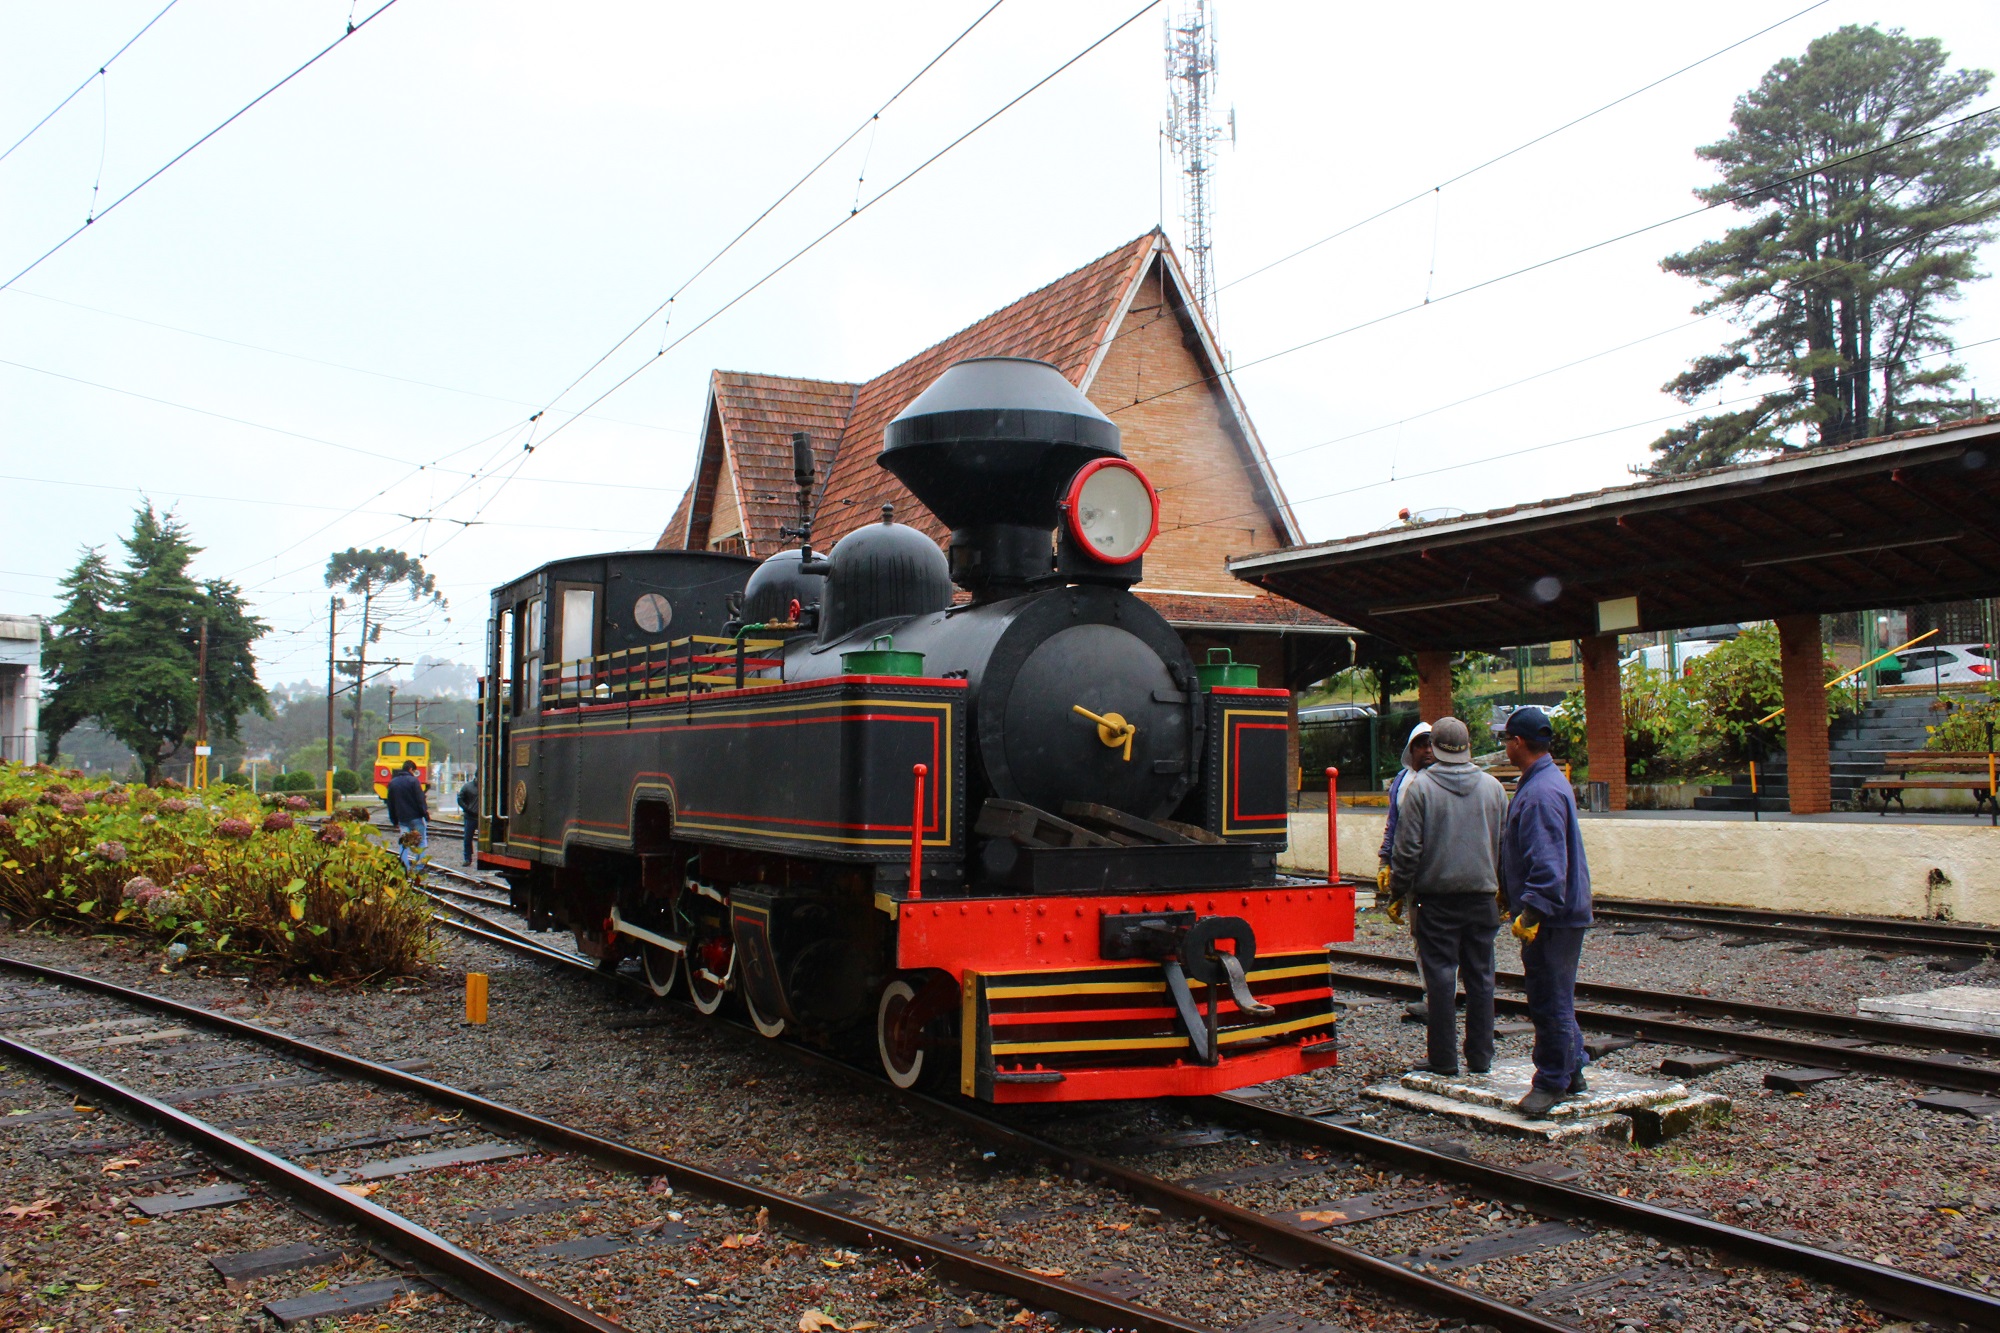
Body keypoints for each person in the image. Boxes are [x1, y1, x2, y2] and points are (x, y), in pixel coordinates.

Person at [1386, 716, 1508, 1077]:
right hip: (1482, 899)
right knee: (1482, 977)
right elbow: (1505, 845)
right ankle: (1481, 1057)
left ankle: (1443, 1059)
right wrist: (1504, 890)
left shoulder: (1421, 789)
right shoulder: (1493, 789)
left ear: (1435, 747)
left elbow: (1407, 851)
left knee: (1440, 979)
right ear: (1467, 746)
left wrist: (1397, 890)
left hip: (1436, 900)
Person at [1497, 706, 1595, 1118]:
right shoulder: (1547, 781)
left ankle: (1552, 1080)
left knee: (1548, 998)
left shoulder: (1539, 794)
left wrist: (1532, 913)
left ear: (1518, 742)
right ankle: (1573, 1068)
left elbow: (1548, 865)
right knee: (1557, 995)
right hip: (1561, 912)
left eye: (1506, 739)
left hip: (1552, 917)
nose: (1505, 746)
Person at [1375, 721, 1435, 906]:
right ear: (1411, 749)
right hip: (1406, 861)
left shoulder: (1438, 779)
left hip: (1433, 864)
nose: (1427, 750)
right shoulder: (1401, 780)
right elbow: (1393, 822)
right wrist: (1385, 861)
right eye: (1422, 746)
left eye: (1431, 745)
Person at [385, 759, 429, 875]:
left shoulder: (393, 783)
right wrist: (425, 814)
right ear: (410, 769)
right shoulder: (414, 781)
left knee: (404, 843)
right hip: (416, 817)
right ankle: (419, 867)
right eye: (414, 771)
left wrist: (394, 820)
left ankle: (405, 867)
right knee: (421, 841)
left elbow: (390, 803)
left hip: (402, 819)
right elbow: (420, 800)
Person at [457, 772, 479, 866]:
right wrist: (467, 809)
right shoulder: (467, 787)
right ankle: (467, 858)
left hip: (481, 817)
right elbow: (460, 799)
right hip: (470, 816)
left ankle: (480, 858)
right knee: (468, 838)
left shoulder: (485, 786)